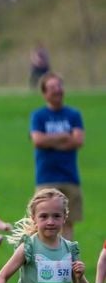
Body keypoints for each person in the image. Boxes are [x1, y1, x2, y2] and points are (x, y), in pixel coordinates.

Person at [29, 72, 84, 241]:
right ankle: (44, 259)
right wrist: (64, 136)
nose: (57, 90)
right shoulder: (39, 116)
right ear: (45, 93)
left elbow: (78, 140)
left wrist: (50, 141)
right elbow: (38, 140)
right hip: (46, 177)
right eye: (52, 87)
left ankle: (67, 261)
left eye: (59, 86)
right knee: (42, 221)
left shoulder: (73, 114)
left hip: (69, 177)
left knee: (67, 222)